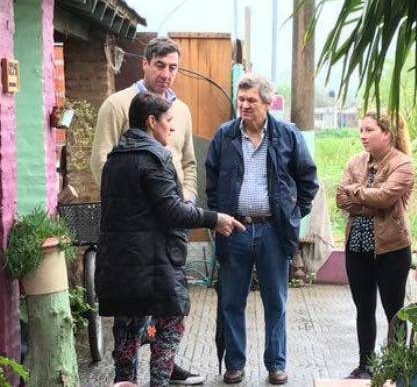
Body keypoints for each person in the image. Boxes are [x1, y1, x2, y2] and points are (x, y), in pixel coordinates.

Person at [96, 92, 245, 387]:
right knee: (170, 326)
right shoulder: (155, 157)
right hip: (154, 264)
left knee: (126, 335)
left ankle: (124, 381)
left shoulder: (114, 158)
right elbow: (173, 211)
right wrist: (214, 219)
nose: (172, 127)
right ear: (152, 121)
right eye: (168, 120)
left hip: (117, 264)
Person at [90, 37, 203, 384]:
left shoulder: (181, 111)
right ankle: (132, 374)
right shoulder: (118, 104)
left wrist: (182, 200)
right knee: (133, 309)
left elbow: (188, 162)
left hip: (171, 222)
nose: (166, 74)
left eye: (173, 68)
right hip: (136, 229)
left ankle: (164, 364)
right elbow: (101, 161)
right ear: (144, 64)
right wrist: (138, 203)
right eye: (160, 66)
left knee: (166, 303)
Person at [205, 73, 319, 385]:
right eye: (241, 99)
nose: (244, 105)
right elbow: (211, 182)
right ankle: (235, 365)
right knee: (231, 301)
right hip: (235, 229)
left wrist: (293, 215)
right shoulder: (225, 135)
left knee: (276, 301)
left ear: (267, 103)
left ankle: (276, 364)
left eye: (251, 100)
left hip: (273, 231)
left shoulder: (287, 135)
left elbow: (308, 180)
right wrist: (219, 216)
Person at [336, 112, 415, 379]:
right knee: (364, 308)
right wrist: (368, 200)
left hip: (392, 248)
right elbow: (340, 199)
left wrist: (356, 193)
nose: (363, 136)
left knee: (394, 310)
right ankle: (365, 366)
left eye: (369, 130)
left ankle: (397, 366)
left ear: (387, 134)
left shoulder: (402, 163)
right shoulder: (356, 161)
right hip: (357, 245)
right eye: (361, 130)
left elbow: (384, 198)